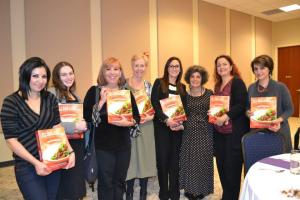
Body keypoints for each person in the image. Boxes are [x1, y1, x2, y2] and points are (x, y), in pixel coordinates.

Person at [0, 57, 75, 200]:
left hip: (52, 160)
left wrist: (69, 151)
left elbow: (57, 127)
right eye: (35, 76)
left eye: (44, 76)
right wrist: (36, 163)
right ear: (25, 75)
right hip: (27, 165)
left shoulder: (50, 98)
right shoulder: (11, 102)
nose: (40, 80)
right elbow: (11, 140)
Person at [83, 57, 140, 200]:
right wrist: (102, 101)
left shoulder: (126, 92)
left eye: (116, 69)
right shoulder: (94, 91)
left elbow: (136, 118)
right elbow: (87, 118)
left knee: (120, 182)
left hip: (123, 146)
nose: (112, 72)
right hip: (103, 147)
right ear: (103, 72)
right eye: (108, 69)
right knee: (106, 183)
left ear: (120, 72)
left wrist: (127, 123)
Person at [212, 55, 249, 200]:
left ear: (231, 66)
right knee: (221, 166)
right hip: (219, 133)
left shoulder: (237, 82)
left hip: (234, 134)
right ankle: (226, 195)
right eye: (218, 65)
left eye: (224, 64)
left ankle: (231, 197)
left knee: (232, 169)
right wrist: (214, 114)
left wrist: (225, 117)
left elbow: (240, 104)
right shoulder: (216, 85)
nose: (221, 67)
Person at [49, 61, 87, 200]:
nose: (68, 77)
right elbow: (50, 121)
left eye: (71, 73)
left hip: (76, 144)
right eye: (63, 74)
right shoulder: (51, 94)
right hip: (61, 145)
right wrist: (75, 126)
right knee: (63, 188)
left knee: (75, 187)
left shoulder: (75, 95)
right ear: (57, 77)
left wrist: (84, 123)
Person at [151, 57, 187, 200]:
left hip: (177, 129)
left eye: (177, 66)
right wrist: (166, 120)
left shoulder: (182, 87)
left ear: (180, 69)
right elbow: (154, 103)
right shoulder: (159, 83)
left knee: (175, 160)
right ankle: (164, 191)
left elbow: (184, 108)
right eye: (171, 66)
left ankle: (174, 190)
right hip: (162, 128)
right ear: (167, 68)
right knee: (162, 160)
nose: (174, 68)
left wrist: (180, 123)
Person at [125, 53, 156, 200]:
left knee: (145, 158)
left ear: (146, 67)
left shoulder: (149, 86)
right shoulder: (123, 84)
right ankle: (129, 192)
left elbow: (155, 108)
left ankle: (143, 192)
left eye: (142, 65)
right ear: (132, 66)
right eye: (136, 65)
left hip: (146, 126)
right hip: (129, 127)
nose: (139, 68)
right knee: (130, 158)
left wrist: (151, 116)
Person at [179, 65, 214, 200]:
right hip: (188, 132)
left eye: (198, 76)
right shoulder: (183, 94)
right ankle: (189, 188)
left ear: (202, 78)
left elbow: (218, 110)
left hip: (205, 131)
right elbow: (179, 112)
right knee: (188, 160)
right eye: (192, 76)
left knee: (203, 160)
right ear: (188, 78)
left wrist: (216, 112)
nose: (195, 79)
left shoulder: (209, 93)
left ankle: (202, 189)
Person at [247, 55, 294, 152]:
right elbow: (247, 107)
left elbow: (290, 109)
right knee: (259, 162)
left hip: (278, 131)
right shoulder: (251, 88)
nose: (258, 72)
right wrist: (248, 113)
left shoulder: (281, 87)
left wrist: (279, 120)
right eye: (256, 69)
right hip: (258, 133)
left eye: (262, 68)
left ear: (269, 69)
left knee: (280, 164)